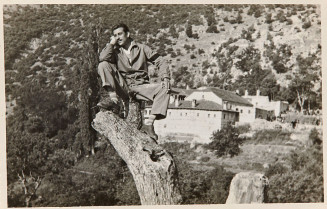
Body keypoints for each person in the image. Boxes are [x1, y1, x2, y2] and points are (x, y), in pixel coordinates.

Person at [97, 23, 171, 141]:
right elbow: (102, 58)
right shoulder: (115, 50)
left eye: (120, 34)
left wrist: (165, 77)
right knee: (103, 65)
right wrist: (111, 44)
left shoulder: (142, 48)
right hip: (124, 87)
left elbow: (160, 61)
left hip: (141, 87)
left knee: (165, 88)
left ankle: (149, 124)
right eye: (115, 35)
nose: (118, 38)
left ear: (128, 34)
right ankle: (113, 101)